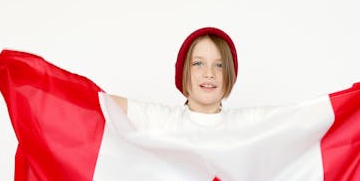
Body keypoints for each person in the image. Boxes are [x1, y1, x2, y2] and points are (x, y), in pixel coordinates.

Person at [109, 27, 273, 131]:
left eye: (219, 65)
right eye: (198, 63)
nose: (209, 73)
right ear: (183, 73)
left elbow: (290, 122)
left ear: (230, 75)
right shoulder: (164, 121)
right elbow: (103, 104)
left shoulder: (245, 125)